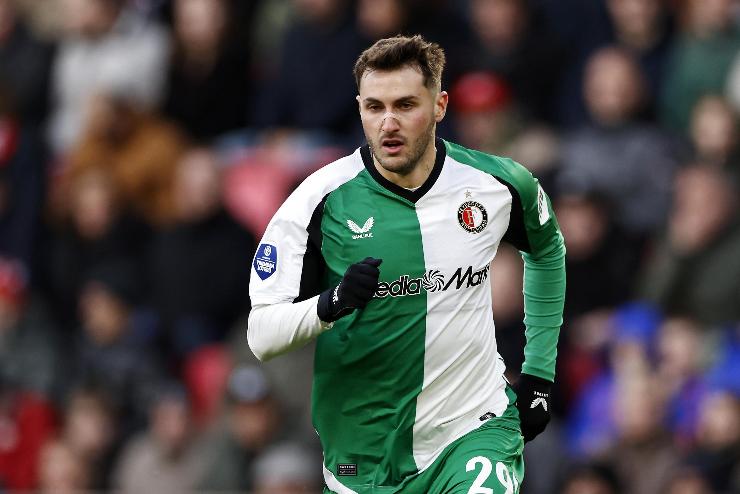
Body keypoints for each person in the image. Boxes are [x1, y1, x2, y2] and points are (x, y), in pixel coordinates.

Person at [247, 35, 566, 493]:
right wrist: (330, 303)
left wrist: (538, 373)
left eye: (405, 105)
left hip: (472, 429)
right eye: (374, 107)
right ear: (359, 108)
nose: (388, 123)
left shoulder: (498, 185)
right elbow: (261, 336)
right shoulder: (317, 201)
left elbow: (548, 251)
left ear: (440, 106)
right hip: (364, 455)